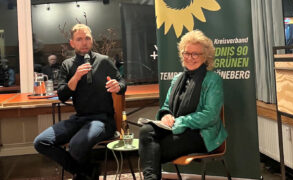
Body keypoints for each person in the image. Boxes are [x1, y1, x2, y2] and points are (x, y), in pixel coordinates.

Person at [34, 24, 126, 180]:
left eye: (87, 38)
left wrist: (118, 86)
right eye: (79, 39)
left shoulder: (104, 61)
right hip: (79, 119)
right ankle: (87, 171)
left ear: (91, 41)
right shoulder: (67, 65)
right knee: (41, 142)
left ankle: (83, 174)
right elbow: (62, 96)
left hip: (103, 119)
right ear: (72, 43)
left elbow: (122, 83)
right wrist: (75, 77)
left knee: (76, 145)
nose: (84, 42)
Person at [138, 30, 228, 180]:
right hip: (176, 130)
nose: (190, 58)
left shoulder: (213, 80)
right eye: (187, 53)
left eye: (195, 54)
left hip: (201, 134)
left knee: (152, 151)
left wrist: (180, 121)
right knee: (146, 131)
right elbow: (167, 105)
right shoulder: (177, 79)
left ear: (205, 57)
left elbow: (210, 116)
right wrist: (166, 115)